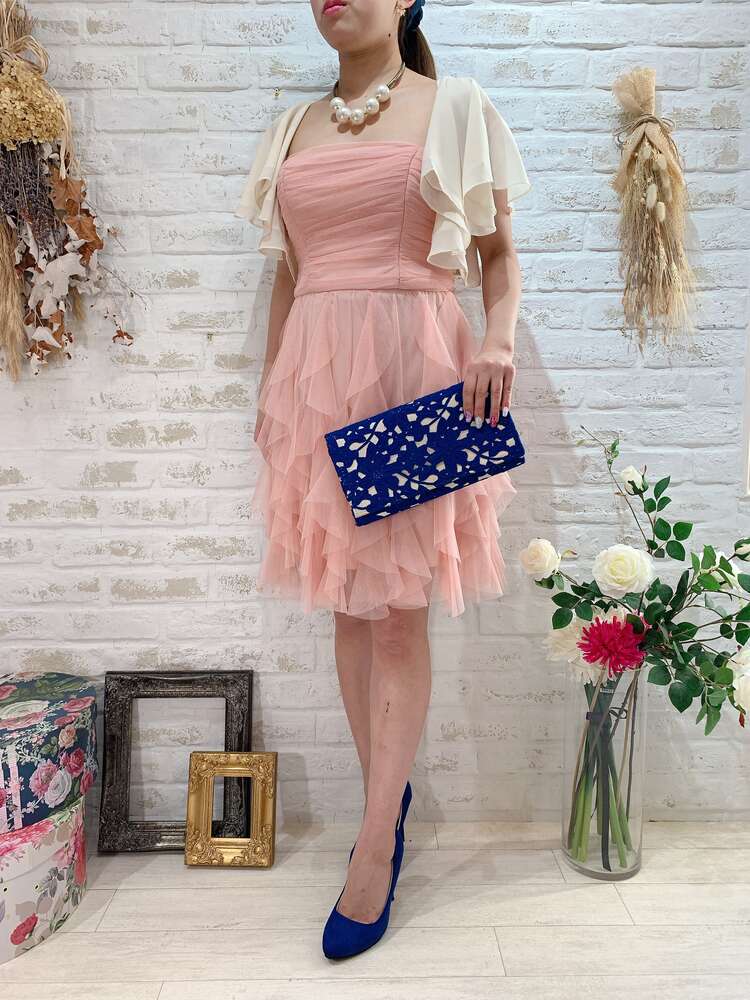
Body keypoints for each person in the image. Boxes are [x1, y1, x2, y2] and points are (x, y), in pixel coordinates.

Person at [236, 0, 531, 959]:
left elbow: (498, 254)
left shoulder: (456, 106)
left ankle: (373, 849)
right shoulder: (294, 126)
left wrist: (496, 342)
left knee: (397, 611)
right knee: (348, 608)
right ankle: (386, 800)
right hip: (318, 380)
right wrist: (273, 392)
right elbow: (289, 275)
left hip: (414, 367)